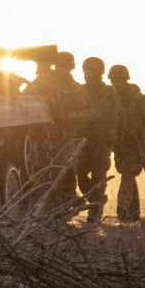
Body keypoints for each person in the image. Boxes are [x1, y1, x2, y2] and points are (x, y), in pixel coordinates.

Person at [31, 51, 87, 203]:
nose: (63, 71)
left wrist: (69, 117)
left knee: (67, 173)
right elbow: (26, 99)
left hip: (66, 137)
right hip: (42, 138)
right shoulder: (41, 82)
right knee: (44, 173)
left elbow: (85, 111)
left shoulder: (76, 89)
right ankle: (50, 208)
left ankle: (65, 206)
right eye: (61, 67)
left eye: (66, 68)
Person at [108, 64, 145, 221]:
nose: (115, 84)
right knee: (125, 173)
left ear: (125, 80)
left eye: (118, 81)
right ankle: (133, 214)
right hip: (118, 144)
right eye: (113, 81)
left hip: (134, 143)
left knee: (127, 174)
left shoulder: (137, 98)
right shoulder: (110, 97)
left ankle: (122, 210)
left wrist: (144, 139)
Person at [76, 56, 118, 223]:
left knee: (99, 173)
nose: (87, 74)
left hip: (102, 139)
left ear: (98, 72)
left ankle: (95, 209)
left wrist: (76, 116)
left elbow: (104, 113)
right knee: (80, 173)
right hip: (85, 139)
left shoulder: (108, 91)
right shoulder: (80, 90)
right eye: (85, 70)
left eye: (90, 71)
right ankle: (96, 198)